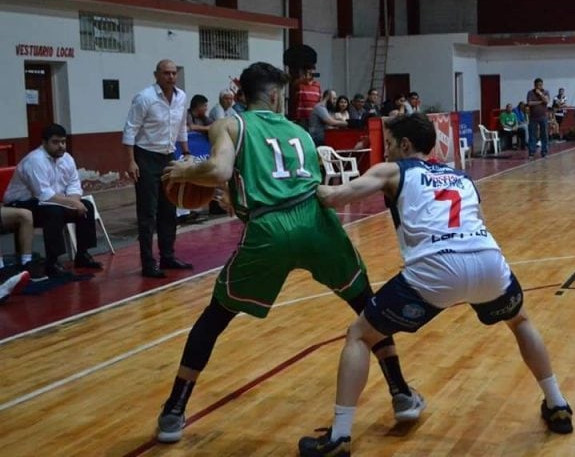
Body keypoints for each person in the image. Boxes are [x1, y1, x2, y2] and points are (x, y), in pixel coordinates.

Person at [155, 62, 423, 444]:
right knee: (368, 307)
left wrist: (184, 171)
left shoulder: (230, 123)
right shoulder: (299, 131)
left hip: (269, 229)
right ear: (277, 96)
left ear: (242, 96)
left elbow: (218, 171)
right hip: (317, 223)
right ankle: (401, 394)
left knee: (215, 316)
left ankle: (173, 411)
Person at [298, 114, 573, 457]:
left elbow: (335, 197)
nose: (387, 148)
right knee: (520, 321)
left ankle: (339, 436)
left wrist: (299, 181)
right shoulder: (461, 176)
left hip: (435, 267)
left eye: (389, 141)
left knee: (360, 335)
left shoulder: (392, 170)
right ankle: (557, 403)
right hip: (487, 258)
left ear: (405, 145)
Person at [123, 59, 193, 279]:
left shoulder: (181, 97)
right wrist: (131, 161)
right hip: (145, 156)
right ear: (157, 75)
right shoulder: (145, 98)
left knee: (169, 210)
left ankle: (168, 256)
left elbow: (181, 126)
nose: (170, 77)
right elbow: (130, 130)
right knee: (148, 213)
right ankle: (147, 263)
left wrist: (186, 151)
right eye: (166, 73)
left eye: (173, 73)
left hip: (168, 157)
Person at [3, 124, 103, 276]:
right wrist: (73, 203)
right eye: (55, 142)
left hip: (49, 201)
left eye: (63, 142)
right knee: (53, 212)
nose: (61, 146)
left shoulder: (67, 158)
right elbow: (44, 194)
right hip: (21, 204)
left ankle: (82, 254)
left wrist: (75, 202)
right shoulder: (35, 161)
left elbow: (74, 184)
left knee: (86, 206)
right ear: (44, 143)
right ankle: (53, 261)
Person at [527, 78, 550, 159]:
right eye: (537, 85)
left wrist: (540, 93)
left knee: (544, 135)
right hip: (533, 117)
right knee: (532, 135)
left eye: (540, 85)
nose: (539, 86)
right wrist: (540, 102)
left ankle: (544, 152)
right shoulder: (530, 93)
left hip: (543, 116)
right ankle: (531, 153)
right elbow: (529, 103)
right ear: (534, 85)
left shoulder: (545, 92)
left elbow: (547, 101)